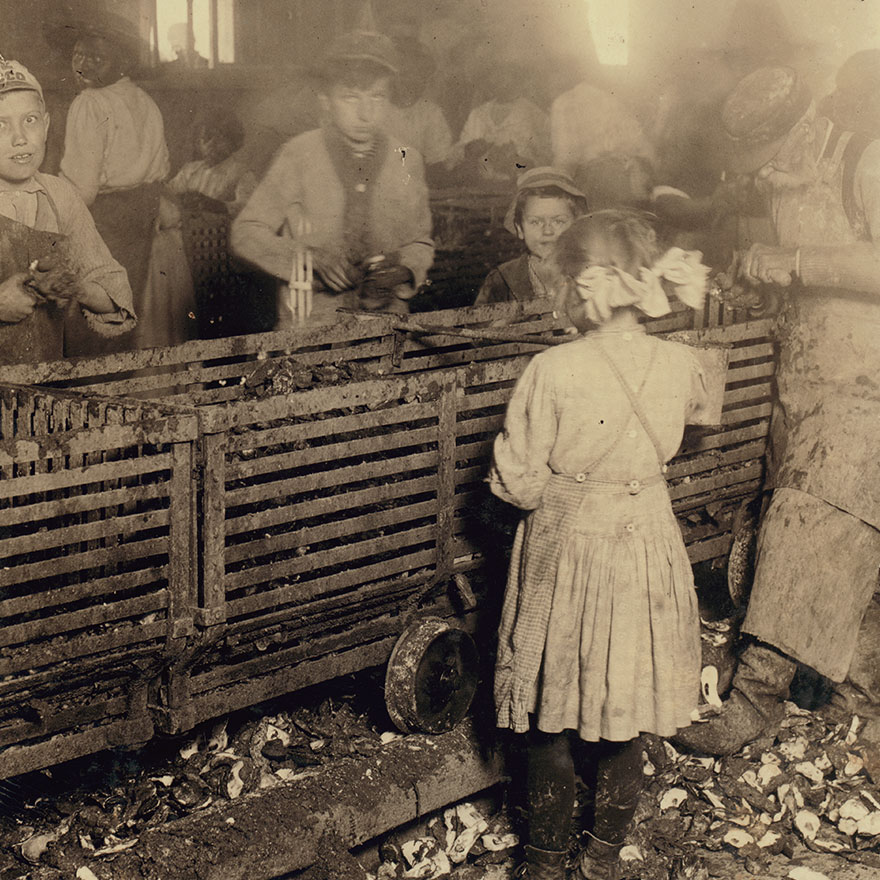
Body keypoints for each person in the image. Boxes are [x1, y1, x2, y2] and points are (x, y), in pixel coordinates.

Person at [489, 210, 715, 879]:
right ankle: (603, 859)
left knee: (548, 718)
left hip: (569, 547)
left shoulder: (551, 368)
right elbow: (698, 423)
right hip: (647, 542)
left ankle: (543, 861)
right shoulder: (680, 362)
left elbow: (521, 485)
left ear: (583, 283)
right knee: (626, 710)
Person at [674, 66, 880, 756]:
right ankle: (842, 685)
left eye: (770, 159)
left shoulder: (863, 159)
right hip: (805, 377)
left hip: (866, 385)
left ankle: (755, 701)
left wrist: (793, 258)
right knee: (817, 531)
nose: (763, 176)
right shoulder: (778, 183)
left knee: (810, 521)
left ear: (805, 129)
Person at [231, 28, 434, 327]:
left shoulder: (406, 159)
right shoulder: (298, 155)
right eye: (351, 98)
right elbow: (246, 233)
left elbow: (420, 242)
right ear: (326, 101)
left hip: (386, 327)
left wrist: (403, 271)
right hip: (310, 327)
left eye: (377, 96)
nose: (366, 114)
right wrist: (308, 257)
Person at [0, 57, 134, 365]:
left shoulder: (59, 195)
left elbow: (114, 297)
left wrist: (74, 285)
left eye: (30, 120)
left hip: (42, 397)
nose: (20, 138)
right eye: (1, 124)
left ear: (46, 125)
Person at [59, 15, 170, 354]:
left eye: (96, 57)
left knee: (94, 314)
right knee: (129, 306)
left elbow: (82, 190)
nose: (83, 64)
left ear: (123, 62)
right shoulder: (145, 100)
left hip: (105, 219)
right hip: (145, 213)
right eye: (78, 54)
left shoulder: (90, 104)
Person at [474, 166, 586, 305]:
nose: (547, 231)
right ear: (520, 229)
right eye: (535, 222)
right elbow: (479, 325)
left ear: (575, 227)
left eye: (558, 221)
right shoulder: (502, 279)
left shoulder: (588, 274)